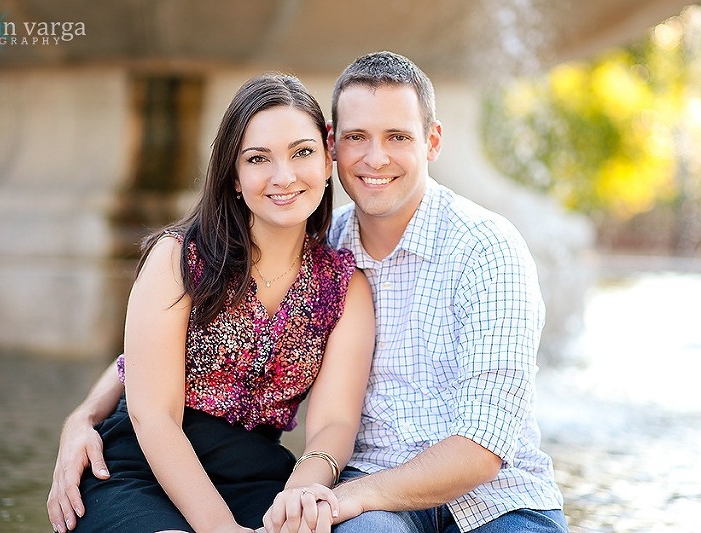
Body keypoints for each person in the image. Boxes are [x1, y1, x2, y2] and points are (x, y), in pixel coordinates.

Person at [49, 51, 569, 533]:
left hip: (486, 500)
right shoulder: (192, 255)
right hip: (169, 469)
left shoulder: (378, 269)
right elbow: (145, 366)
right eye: (357, 137)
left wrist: (311, 495)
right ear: (335, 147)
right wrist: (84, 417)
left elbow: (361, 428)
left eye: (398, 137)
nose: (375, 158)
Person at [45, 73, 375, 533]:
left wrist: (297, 498)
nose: (284, 176)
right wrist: (220, 529)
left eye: (302, 152)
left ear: (327, 157)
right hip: (140, 465)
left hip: (258, 475)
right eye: (258, 159)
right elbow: (152, 413)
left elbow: (334, 424)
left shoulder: (344, 285)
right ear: (235, 177)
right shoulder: (179, 257)